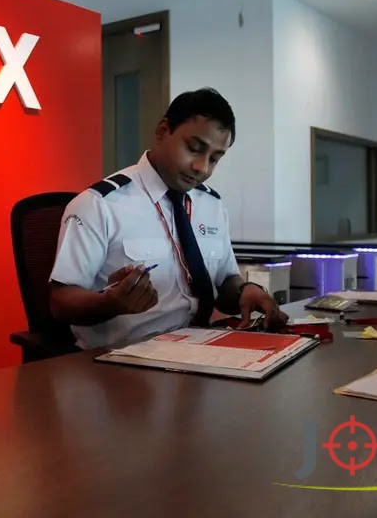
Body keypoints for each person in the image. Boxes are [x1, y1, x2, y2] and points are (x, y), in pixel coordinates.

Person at [49, 87, 287, 349]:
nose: (202, 167)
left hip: (201, 350)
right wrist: (110, 303)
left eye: (215, 159)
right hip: (123, 357)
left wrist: (245, 291)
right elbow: (61, 301)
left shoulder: (212, 205)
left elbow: (226, 280)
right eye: (194, 148)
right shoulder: (100, 204)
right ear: (162, 131)